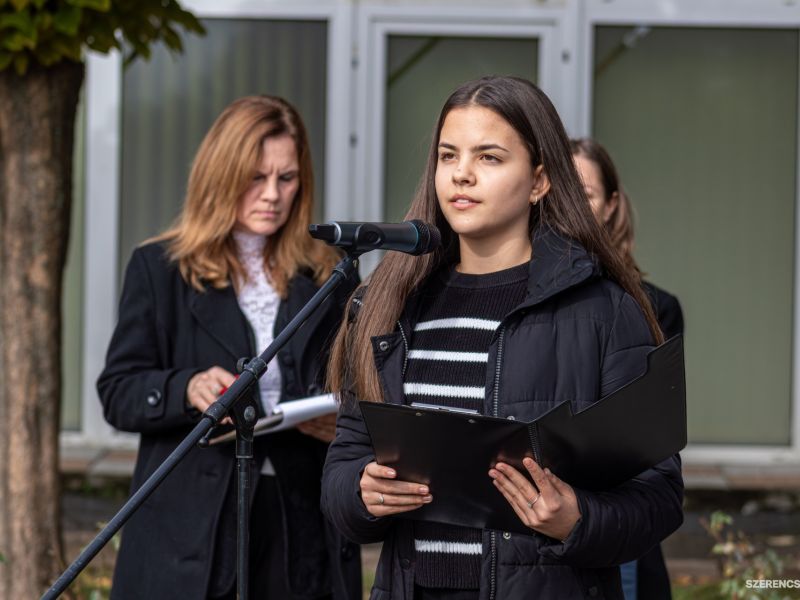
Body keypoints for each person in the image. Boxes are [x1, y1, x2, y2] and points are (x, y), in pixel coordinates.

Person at [321, 76, 684, 600]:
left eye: (489, 158)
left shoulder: (604, 311)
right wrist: (361, 493)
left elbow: (659, 495)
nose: (462, 174)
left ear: (539, 181)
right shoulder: (391, 303)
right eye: (449, 156)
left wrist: (576, 519)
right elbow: (344, 462)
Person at [97, 95, 361, 600]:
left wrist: (342, 424)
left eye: (287, 178)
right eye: (255, 178)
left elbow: (362, 386)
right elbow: (118, 391)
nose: (272, 195)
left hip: (298, 518)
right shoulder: (160, 269)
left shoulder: (328, 272)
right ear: (221, 176)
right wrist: (187, 387)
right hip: (190, 529)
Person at [572, 136, 684, 600]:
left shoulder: (655, 308)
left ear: (612, 205)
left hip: (618, 508)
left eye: (589, 194)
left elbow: (654, 441)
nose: (575, 206)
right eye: (565, 191)